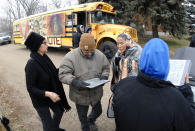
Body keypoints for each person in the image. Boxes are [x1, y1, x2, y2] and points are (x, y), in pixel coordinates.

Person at [113, 38, 194, 131]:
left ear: (143, 59)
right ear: (166, 64)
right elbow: (189, 124)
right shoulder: (175, 99)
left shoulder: (123, 84)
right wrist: (187, 92)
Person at [59, 33, 110, 131]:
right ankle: (85, 126)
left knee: (98, 111)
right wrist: (74, 81)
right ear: (80, 47)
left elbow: (106, 67)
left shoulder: (100, 55)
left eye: (92, 51)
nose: (89, 54)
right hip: (80, 95)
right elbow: (63, 74)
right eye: (86, 51)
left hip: (96, 93)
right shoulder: (70, 57)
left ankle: (91, 120)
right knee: (82, 117)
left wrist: (104, 76)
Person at [24, 32, 71, 131]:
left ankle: (55, 128)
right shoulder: (31, 64)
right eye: (44, 43)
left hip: (51, 92)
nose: (47, 44)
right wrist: (48, 94)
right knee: (47, 125)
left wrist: (66, 69)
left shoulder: (44, 58)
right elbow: (30, 88)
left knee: (59, 111)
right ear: (37, 46)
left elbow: (52, 73)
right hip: (40, 99)